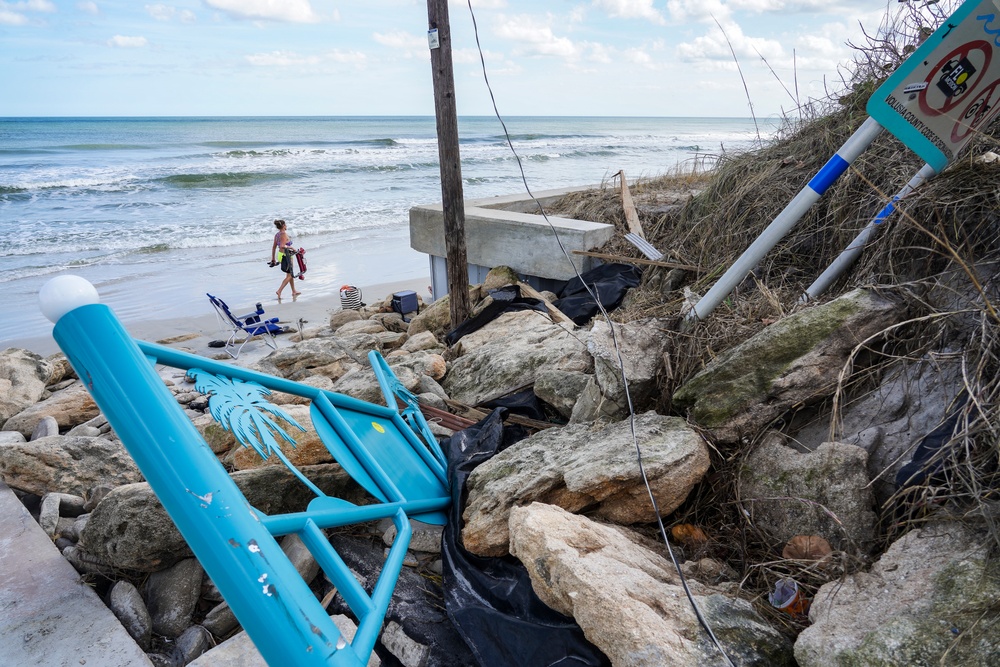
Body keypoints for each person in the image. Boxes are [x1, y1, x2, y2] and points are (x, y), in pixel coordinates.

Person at [270, 219, 301, 299]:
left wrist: (273, 258)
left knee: (289, 274)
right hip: (286, 255)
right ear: (283, 225)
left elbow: (274, 247)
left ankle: (294, 291)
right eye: (285, 224)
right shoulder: (283, 234)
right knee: (290, 275)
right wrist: (291, 247)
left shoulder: (277, 235)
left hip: (281, 255)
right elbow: (282, 246)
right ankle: (279, 290)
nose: (286, 226)